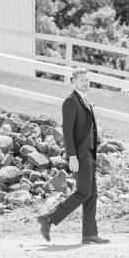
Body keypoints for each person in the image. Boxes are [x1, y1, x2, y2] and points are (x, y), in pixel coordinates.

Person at [36, 67, 109, 244]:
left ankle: (89, 233)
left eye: (87, 79)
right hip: (80, 155)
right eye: (82, 79)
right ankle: (49, 218)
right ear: (73, 82)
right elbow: (67, 132)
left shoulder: (83, 100)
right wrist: (72, 156)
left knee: (92, 194)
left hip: (89, 154)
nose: (86, 82)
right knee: (84, 192)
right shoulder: (70, 101)